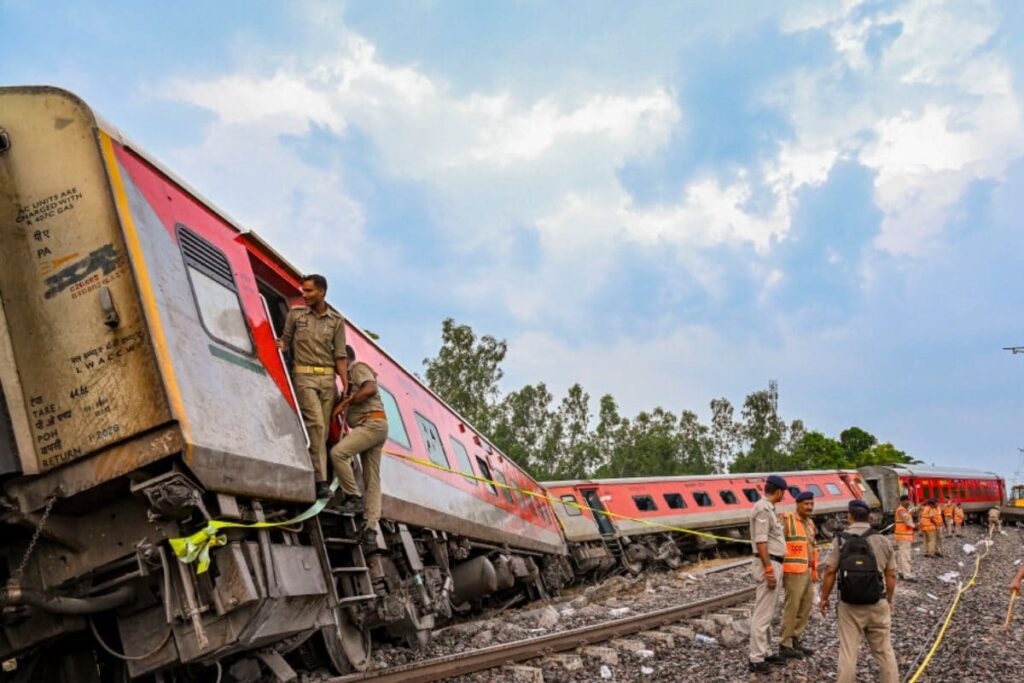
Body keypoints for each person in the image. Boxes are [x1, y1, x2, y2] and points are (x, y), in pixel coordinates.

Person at [278, 274, 347, 499]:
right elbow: (285, 341)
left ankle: (318, 473)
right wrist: (278, 345)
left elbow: (340, 355)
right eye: (303, 291)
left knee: (323, 431)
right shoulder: (295, 314)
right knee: (316, 425)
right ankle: (320, 481)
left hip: (327, 380)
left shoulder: (336, 321)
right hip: (304, 376)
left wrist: (346, 384)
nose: (304, 295)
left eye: (309, 291)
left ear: (322, 292)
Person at [819, 499, 899, 683]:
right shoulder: (883, 540)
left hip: (849, 606)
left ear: (850, 516)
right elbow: (891, 575)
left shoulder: (840, 540)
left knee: (848, 652)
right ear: (869, 517)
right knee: (884, 651)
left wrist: (824, 598)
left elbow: (830, 571)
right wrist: (889, 599)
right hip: (877, 601)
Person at [330, 345, 389, 542]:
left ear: (345, 359)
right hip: (375, 426)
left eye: (336, 360)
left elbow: (370, 388)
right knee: (372, 479)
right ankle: (371, 528)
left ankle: (353, 497)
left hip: (371, 424)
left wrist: (349, 401)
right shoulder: (349, 378)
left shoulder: (356, 368)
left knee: (338, 453)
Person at [748, 474, 789, 673]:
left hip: (774, 561)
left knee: (769, 611)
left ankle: (765, 651)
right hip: (769, 562)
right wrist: (769, 570)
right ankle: (756, 658)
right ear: (778, 491)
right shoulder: (763, 509)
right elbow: (762, 541)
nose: (784, 496)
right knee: (763, 613)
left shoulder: (769, 509)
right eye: (784, 492)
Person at [779, 490, 819, 659]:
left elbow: (812, 547)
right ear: (797, 504)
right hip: (793, 571)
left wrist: (814, 569)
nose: (809, 507)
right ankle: (785, 644)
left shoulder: (810, 523)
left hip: (807, 570)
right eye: (806, 504)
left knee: (806, 606)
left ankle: (795, 638)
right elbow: (778, 544)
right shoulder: (787, 519)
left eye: (811, 504)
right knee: (792, 607)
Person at [893, 495, 916, 581]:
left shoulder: (903, 510)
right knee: (905, 555)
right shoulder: (901, 510)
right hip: (904, 536)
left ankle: (901, 572)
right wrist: (915, 526)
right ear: (901, 501)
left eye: (908, 501)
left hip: (902, 536)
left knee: (901, 554)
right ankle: (907, 575)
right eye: (906, 501)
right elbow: (907, 522)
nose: (908, 503)